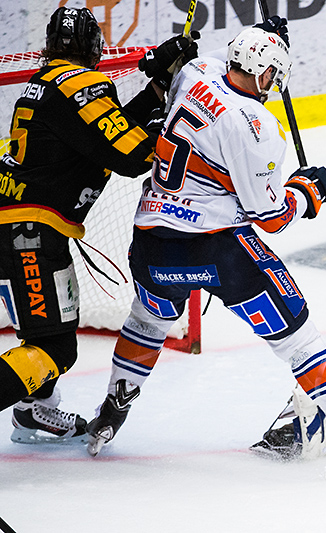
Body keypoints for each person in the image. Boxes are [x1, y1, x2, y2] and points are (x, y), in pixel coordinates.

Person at [83, 20, 326, 465]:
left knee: (147, 323)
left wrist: (262, 34)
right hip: (220, 251)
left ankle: (112, 410)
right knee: (298, 338)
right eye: (273, 75)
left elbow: (214, 76)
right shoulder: (257, 127)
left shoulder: (195, 72)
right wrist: (308, 192)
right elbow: (270, 217)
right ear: (267, 73)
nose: (273, 85)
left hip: (152, 244)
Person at [0, 7, 198, 443]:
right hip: (27, 232)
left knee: (44, 332)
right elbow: (129, 155)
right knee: (54, 347)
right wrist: (176, 111)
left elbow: (97, 135)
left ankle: (34, 411)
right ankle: (32, 407)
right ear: (93, 45)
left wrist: (158, 86)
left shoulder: (47, 81)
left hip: (16, 222)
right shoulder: (82, 84)